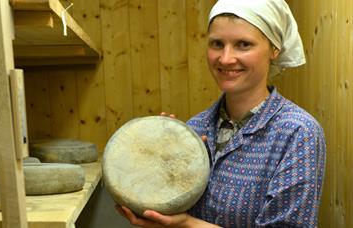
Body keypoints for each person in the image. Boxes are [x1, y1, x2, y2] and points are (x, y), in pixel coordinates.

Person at [115, 0, 326, 227]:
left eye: (243, 44)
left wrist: (187, 224)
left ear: (274, 49)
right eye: (217, 44)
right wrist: (160, 165)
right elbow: (168, 210)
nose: (225, 59)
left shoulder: (297, 132)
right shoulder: (196, 128)